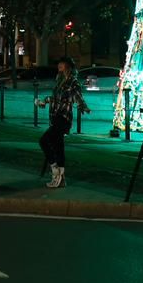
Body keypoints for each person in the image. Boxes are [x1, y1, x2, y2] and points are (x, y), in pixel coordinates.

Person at [36, 56, 89, 189]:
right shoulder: (59, 81)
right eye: (59, 63)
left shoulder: (73, 82)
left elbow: (77, 96)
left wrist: (83, 106)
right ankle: (61, 177)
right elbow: (55, 98)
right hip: (55, 116)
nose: (59, 65)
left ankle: (55, 171)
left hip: (64, 118)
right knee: (58, 146)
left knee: (44, 140)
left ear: (68, 67)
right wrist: (44, 101)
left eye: (62, 63)